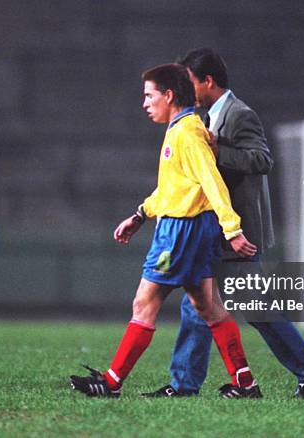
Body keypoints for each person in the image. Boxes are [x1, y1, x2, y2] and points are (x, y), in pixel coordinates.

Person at [142, 48, 304, 399]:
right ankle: (189, 383)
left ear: (207, 81)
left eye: (189, 81)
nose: (185, 88)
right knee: (204, 305)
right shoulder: (203, 117)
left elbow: (262, 159)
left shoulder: (239, 113)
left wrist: (217, 151)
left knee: (242, 307)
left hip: (237, 232)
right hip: (216, 231)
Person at [70, 63, 261, 398]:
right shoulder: (184, 130)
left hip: (180, 233)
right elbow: (175, 189)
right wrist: (141, 214)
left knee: (144, 302)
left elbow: (212, 182)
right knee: (209, 308)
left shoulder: (186, 134)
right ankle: (245, 383)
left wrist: (233, 229)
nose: (145, 103)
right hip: (191, 229)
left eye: (149, 95)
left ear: (169, 95)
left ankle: (111, 383)